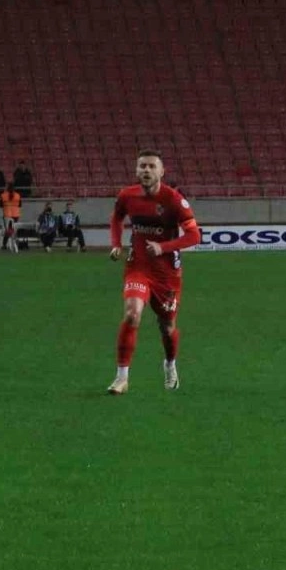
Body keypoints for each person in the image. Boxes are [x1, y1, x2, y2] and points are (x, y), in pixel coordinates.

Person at [107, 150, 202, 395]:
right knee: (131, 314)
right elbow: (117, 217)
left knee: (167, 327)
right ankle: (121, 378)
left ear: (161, 172)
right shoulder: (127, 196)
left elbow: (194, 235)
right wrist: (116, 243)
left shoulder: (174, 200)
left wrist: (163, 247)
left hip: (166, 273)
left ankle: (170, 365)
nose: (146, 171)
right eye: (142, 166)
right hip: (137, 266)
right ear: (136, 171)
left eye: (151, 166)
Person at [0, 183, 22, 253]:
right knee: (13, 230)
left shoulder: (3, 195)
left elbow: (0, 205)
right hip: (15, 214)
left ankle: (4, 244)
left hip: (7, 214)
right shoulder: (18, 195)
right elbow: (20, 205)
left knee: (9, 230)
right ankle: (14, 244)